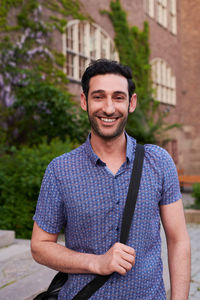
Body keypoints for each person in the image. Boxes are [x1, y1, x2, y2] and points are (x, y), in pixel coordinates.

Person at [31, 59, 191, 299]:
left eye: (118, 97)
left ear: (131, 102)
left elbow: (178, 240)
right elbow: (40, 246)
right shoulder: (60, 170)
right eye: (98, 97)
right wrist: (97, 263)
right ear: (84, 102)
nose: (108, 108)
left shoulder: (158, 162)